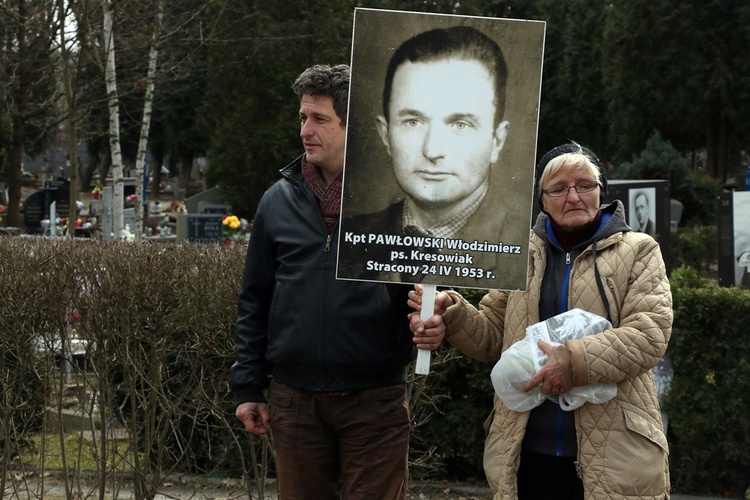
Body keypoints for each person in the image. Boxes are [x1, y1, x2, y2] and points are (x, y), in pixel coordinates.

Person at [408, 142, 673, 499]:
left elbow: (648, 335)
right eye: (559, 189)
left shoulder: (639, 250)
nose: (574, 196)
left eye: (585, 185)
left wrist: (572, 361)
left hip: (616, 452)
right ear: (542, 200)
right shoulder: (519, 253)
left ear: (601, 192)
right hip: (528, 451)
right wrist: (451, 314)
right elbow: (492, 336)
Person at [231, 64, 444, 499]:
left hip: (375, 401)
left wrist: (431, 324)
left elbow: (420, 296)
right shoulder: (277, 202)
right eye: (303, 118)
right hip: (294, 402)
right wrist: (249, 387)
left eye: (320, 119)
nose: (306, 130)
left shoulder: (401, 204)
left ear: (354, 126)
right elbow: (255, 300)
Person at [339, 25, 530, 288]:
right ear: (385, 135)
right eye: (413, 121)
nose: (432, 150)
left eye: (460, 125)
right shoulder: (348, 237)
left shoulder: (526, 246)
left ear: (497, 141)